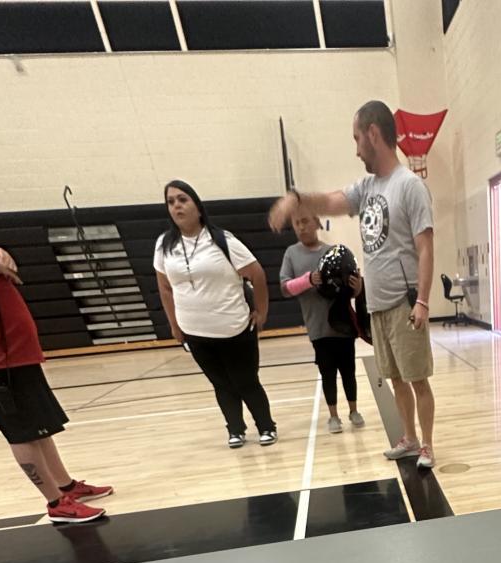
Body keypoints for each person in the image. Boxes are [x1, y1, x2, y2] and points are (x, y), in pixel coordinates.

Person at [269, 100, 437, 469]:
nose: (356, 149)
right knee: (396, 379)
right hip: (377, 306)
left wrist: (423, 301)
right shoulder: (367, 187)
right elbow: (331, 201)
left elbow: (425, 247)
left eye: (357, 138)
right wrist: (296, 199)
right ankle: (408, 438)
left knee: (417, 379)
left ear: (373, 134)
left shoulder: (410, 186)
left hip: (405, 304)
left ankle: (427, 445)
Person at [0, 246, 111, 524]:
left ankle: (65, 486)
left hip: (16, 355)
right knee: (22, 433)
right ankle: (56, 503)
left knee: (39, 427)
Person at [154, 180, 277, 449]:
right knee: (221, 384)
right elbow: (164, 287)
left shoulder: (222, 240)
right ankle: (235, 429)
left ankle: (266, 426)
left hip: (234, 327)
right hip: (194, 332)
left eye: (182, 199)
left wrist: (261, 312)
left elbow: (257, 274)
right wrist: (174, 325)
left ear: (198, 207)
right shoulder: (164, 245)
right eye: (171, 202)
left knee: (246, 382)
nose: (176, 206)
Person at [279, 213, 366, 434]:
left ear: (317, 223)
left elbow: (351, 290)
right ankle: (333, 416)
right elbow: (284, 288)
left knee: (348, 371)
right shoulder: (291, 254)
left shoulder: (334, 252)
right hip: (318, 327)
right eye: (297, 223)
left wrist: (357, 288)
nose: (301, 226)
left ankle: (354, 410)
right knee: (328, 373)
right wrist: (308, 280)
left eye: (305, 221)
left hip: (343, 325)